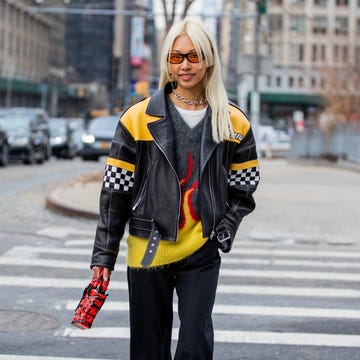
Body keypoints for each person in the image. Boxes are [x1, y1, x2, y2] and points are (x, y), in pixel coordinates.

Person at [90, 18, 260, 360]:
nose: (185, 65)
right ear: (167, 61)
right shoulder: (136, 119)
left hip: (201, 249)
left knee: (196, 344)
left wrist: (223, 231)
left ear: (209, 60)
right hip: (147, 248)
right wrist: (103, 255)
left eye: (194, 56)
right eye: (177, 56)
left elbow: (244, 189)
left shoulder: (233, 122)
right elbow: (115, 193)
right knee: (149, 348)